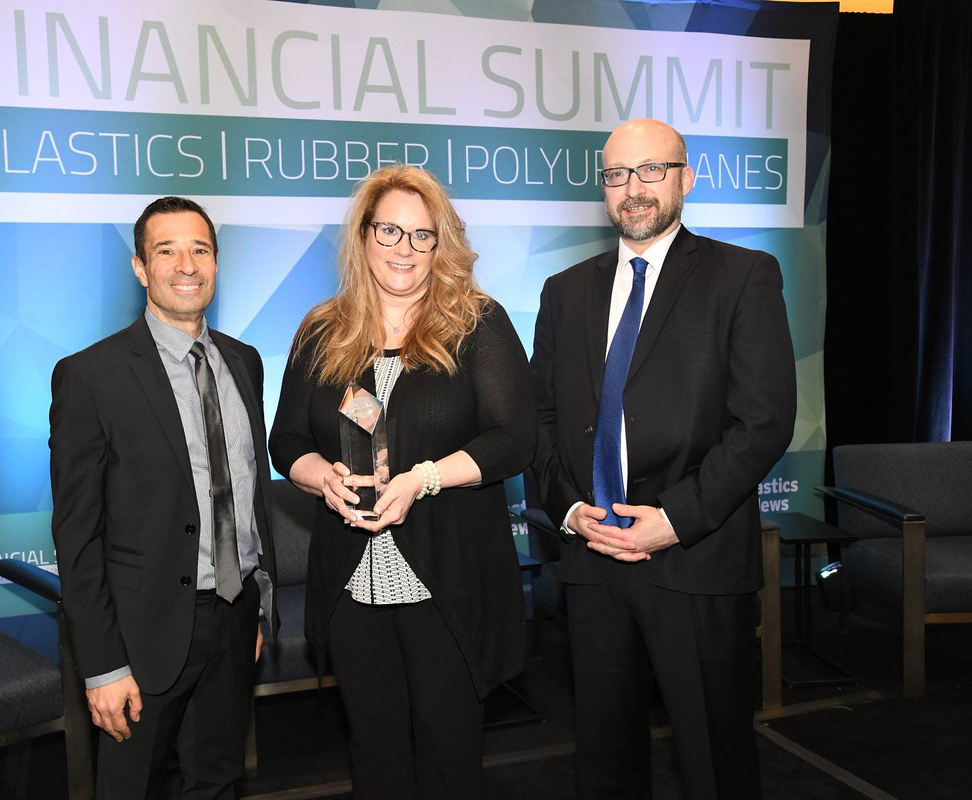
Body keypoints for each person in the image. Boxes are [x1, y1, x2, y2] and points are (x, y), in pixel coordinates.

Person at [530, 119, 796, 799]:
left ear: (688, 176)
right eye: (617, 174)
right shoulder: (563, 292)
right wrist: (568, 510)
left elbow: (763, 424)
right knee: (605, 760)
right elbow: (541, 420)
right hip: (592, 562)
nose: (634, 189)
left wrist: (673, 519)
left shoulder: (745, 276)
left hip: (695, 560)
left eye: (651, 170)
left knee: (715, 761)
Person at [269, 164, 536, 799]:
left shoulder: (477, 324)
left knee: (449, 757)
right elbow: (287, 441)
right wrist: (320, 480)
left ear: (442, 245)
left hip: (447, 579)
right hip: (352, 586)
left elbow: (515, 438)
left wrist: (424, 479)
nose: (404, 249)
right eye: (390, 230)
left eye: (423, 235)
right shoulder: (322, 329)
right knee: (376, 755)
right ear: (363, 236)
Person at [49, 196, 276, 799]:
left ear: (217, 263)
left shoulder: (245, 362)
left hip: (233, 616)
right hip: (140, 635)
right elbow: (77, 535)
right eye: (166, 250)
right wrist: (102, 664)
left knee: (219, 782)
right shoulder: (90, 376)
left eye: (200, 249)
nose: (186, 264)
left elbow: (249, 494)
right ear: (140, 267)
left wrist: (255, 601)